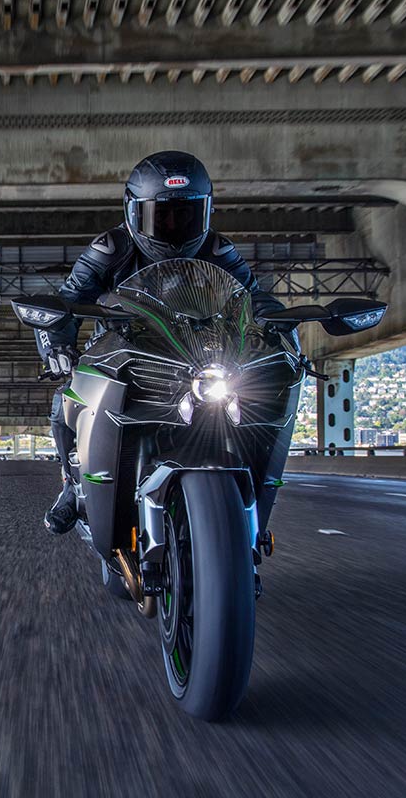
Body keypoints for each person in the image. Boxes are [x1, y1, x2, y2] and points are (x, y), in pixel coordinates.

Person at [38, 150, 296, 538]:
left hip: (196, 352)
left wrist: (281, 330)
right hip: (125, 349)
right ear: (133, 212)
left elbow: (252, 297)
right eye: (161, 216)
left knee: (255, 393)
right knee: (64, 403)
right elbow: (70, 299)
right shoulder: (110, 249)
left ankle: (248, 510)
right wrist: (57, 347)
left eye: (186, 215)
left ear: (206, 212)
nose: (174, 226)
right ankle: (71, 490)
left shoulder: (218, 250)